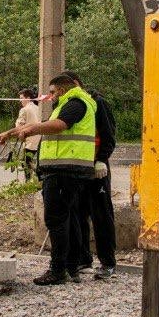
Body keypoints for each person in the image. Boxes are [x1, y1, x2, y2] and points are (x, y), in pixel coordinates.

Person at [0, 73, 97, 286]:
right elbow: (48, 124)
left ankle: (58, 270)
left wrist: (31, 128)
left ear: (61, 90)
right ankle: (70, 267)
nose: (50, 96)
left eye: (52, 92)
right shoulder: (70, 104)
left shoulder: (75, 103)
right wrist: (10, 132)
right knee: (68, 218)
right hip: (66, 169)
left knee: (56, 219)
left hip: (65, 169)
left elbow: (59, 125)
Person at [64, 72, 117, 280]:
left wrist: (102, 159)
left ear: (77, 85)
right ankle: (83, 259)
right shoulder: (70, 106)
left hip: (97, 168)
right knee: (78, 214)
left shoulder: (97, 103)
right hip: (78, 169)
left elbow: (108, 134)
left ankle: (108, 262)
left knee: (101, 214)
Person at [14, 87, 42, 180]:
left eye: (22, 98)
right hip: (40, 139)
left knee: (26, 162)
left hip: (30, 141)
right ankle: (36, 177)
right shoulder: (39, 108)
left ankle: (29, 180)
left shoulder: (24, 110)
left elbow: (19, 125)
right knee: (31, 161)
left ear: (28, 98)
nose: (20, 100)